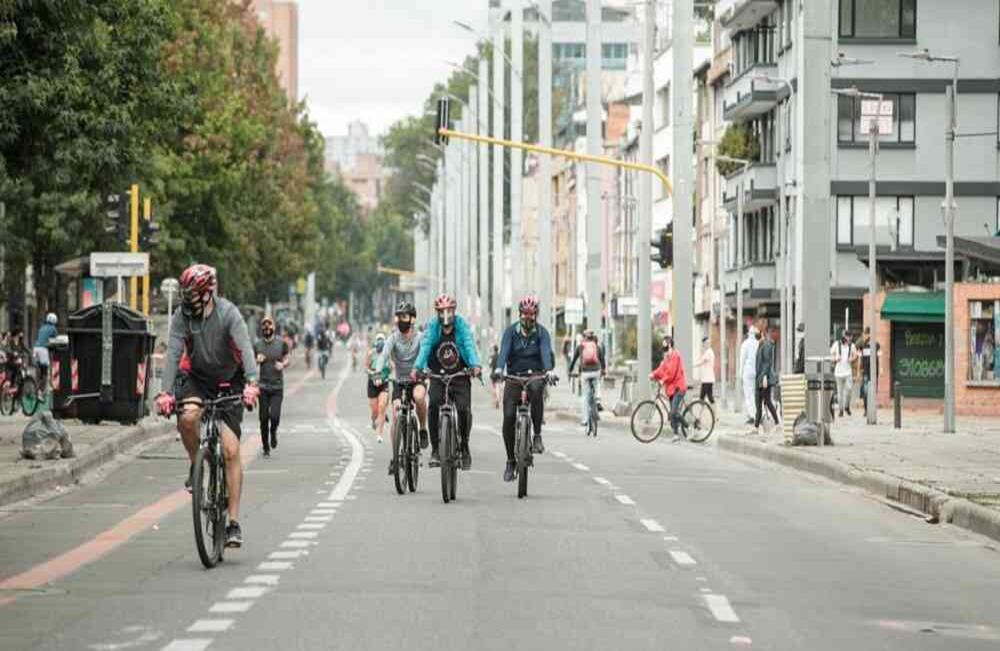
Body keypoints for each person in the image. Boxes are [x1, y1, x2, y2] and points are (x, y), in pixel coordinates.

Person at [154, 264, 259, 548]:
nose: (187, 301)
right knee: (187, 418)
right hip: (198, 378)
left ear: (207, 293)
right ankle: (196, 465)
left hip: (229, 381)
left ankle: (233, 523)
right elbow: (174, 353)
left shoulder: (229, 314)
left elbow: (246, 349)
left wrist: (251, 383)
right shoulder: (181, 317)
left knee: (230, 450)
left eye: (192, 295)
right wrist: (164, 393)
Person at [413, 294, 481, 470]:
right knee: (434, 405)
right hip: (438, 376)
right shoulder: (433, 328)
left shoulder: (461, 326)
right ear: (437, 313)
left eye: (449, 311)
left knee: (464, 409)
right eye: (442, 311)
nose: (446, 314)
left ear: (454, 311)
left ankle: (464, 446)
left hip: (460, 375)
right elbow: (425, 347)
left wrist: (475, 365)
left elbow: (469, 345)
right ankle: (436, 449)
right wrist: (417, 368)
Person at [493, 296, 557, 482]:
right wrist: (499, 369)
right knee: (509, 417)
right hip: (514, 377)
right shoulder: (511, 332)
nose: (528, 320)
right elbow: (504, 352)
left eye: (531, 316)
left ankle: (537, 435)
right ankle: (510, 461)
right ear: (519, 315)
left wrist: (548, 371)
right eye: (524, 316)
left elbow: (545, 352)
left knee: (537, 390)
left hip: (535, 376)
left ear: (536, 316)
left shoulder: (542, 333)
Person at [377, 301, 429, 475]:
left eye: (404, 317)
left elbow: (427, 354)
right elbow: (383, 355)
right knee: (397, 411)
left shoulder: (420, 337)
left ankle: (422, 429)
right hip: (399, 381)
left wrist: (427, 370)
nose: (401, 320)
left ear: (412, 319)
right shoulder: (392, 338)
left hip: (417, 379)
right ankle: (396, 456)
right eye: (398, 317)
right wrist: (378, 372)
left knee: (420, 397)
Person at [254, 316, 290, 458]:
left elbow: (287, 357)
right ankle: (265, 447)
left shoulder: (281, 343)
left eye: (269, 325)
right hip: (262, 387)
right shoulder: (257, 345)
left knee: (274, 416)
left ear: (274, 327)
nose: (266, 327)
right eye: (264, 325)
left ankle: (273, 432)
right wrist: (257, 360)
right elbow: (251, 362)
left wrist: (283, 364)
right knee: (263, 418)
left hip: (277, 387)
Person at [650, 335, 687, 442]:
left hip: (678, 387)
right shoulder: (667, 357)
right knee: (672, 413)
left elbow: (671, 373)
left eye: (664, 344)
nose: (663, 347)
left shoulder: (675, 355)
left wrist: (663, 380)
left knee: (674, 412)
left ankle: (687, 425)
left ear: (669, 344)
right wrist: (653, 374)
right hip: (671, 389)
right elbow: (662, 369)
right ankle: (676, 435)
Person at [568, 329, 606, 427]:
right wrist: (604, 369)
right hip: (596, 371)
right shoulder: (596, 346)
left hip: (585, 372)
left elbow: (574, 360)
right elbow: (602, 359)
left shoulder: (580, 347)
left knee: (585, 397)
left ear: (584, 337)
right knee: (597, 383)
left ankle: (584, 420)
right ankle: (597, 400)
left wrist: (570, 370)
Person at [753, 325, 779, 433]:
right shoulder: (760, 344)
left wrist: (764, 377)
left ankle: (777, 423)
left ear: (762, 333)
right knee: (758, 403)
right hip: (759, 378)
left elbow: (767, 363)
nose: (756, 334)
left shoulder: (767, 344)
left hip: (765, 378)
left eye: (757, 332)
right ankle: (756, 427)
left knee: (767, 401)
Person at [366, 333, 390, 443]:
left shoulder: (388, 354)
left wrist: (390, 369)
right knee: (375, 411)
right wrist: (373, 373)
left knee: (382, 407)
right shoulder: (371, 353)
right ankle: (373, 418)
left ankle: (379, 434)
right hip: (372, 384)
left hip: (384, 383)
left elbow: (393, 366)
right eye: (378, 341)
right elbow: (366, 367)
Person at [830, 329, 857, 417]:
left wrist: (851, 359)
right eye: (847, 336)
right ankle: (841, 410)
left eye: (849, 336)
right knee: (840, 392)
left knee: (849, 389)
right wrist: (835, 359)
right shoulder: (836, 344)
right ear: (844, 336)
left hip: (848, 371)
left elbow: (855, 355)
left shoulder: (852, 346)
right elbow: (831, 355)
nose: (849, 338)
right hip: (838, 372)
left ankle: (846, 406)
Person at [33, 313, 58, 396]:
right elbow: (56, 341)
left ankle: (36, 389)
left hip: (36, 348)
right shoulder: (53, 328)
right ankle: (42, 391)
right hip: (43, 350)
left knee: (38, 370)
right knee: (45, 371)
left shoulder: (42, 327)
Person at [738, 325, 759, 424]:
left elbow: (742, 360)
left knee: (748, 394)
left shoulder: (745, 344)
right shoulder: (758, 343)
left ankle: (752, 415)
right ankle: (758, 414)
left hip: (748, 371)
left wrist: (740, 373)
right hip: (757, 372)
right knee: (756, 394)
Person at [859, 326, 881, 414]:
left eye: (867, 334)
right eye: (866, 334)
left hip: (874, 371)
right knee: (865, 390)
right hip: (865, 371)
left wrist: (881, 368)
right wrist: (859, 370)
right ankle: (866, 409)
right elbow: (860, 358)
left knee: (873, 390)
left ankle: (871, 408)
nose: (866, 336)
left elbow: (880, 356)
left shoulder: (876, 345)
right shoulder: (862, 345)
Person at [697, 336, 715, 404]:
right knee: (702, 398)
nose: (708, 344)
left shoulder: (709, 352)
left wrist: (692, 366)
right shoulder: (707, 352)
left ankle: (714, 413)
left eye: (708, 343)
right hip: (706, 379)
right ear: (703, 344)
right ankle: (700, 414)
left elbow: (702, 362)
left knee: (709, 397)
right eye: (706, 343)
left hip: (708, 379)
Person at [487, 343, 502, 409]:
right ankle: (498, 399)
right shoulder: (500, 356)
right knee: (498, 386)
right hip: (498, 373)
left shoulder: (492, 357)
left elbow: (490, 365)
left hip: (493, 374)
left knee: (493, 387)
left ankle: (495, 400)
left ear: (494, 349)